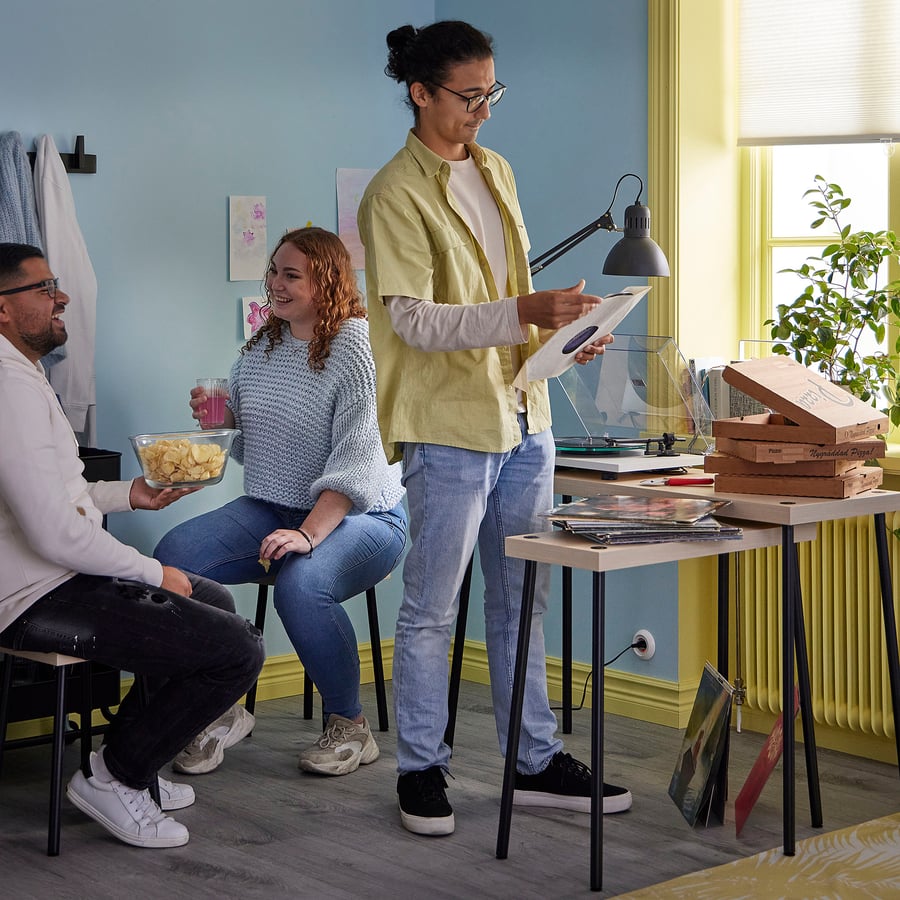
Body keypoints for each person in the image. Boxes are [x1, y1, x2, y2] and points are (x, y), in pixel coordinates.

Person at [357, 20, 632, 836]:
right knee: (432, 609)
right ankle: (420, 770)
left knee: (523, 601)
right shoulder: (393, 194)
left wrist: (562, 335)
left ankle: (533, 759)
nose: (483, 111)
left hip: (524, 414)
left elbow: (504, 305)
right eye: (469, 96)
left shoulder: (496, 170)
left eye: (492, 93)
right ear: (419, 92)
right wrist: (524, 311)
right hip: (448, 428)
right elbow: (414, 321)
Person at [0, 243, 266, 849]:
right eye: (44, 289)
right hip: (29, 595)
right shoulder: (8, 387)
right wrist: (151, 572)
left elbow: (60, 495)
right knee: (236, 650)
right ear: (3, 309)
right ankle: (116, 778)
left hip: (56, 576)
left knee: (214, 602)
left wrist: (131, 494)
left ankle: (128, 762)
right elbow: (53, 531)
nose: (62, 296)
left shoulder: (23, 373)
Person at [154, 227, 407, 777]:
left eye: (291, 275)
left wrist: (308, 535)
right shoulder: (260, 348)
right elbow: (254, 446)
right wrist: (222, 420)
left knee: (301, 583)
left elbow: (358, 463)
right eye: (273, 271)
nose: (275, 283)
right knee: (171, 558)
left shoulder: (358, 348)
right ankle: (218, 706)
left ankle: (349, 725)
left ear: (328, 282)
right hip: (273, 507)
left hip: (364, 515)